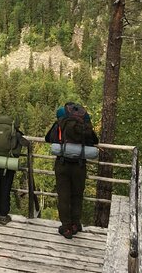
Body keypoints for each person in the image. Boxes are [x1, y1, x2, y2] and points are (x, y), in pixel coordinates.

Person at [45, 102, 99, 239]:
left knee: (63, 196)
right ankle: (76, 224)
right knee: (77, 195)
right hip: (80, 165)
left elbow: (48, 138)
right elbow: (94, 140)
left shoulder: (61, 124)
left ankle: (66, 227)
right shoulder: (84, 125)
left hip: (62, 163)